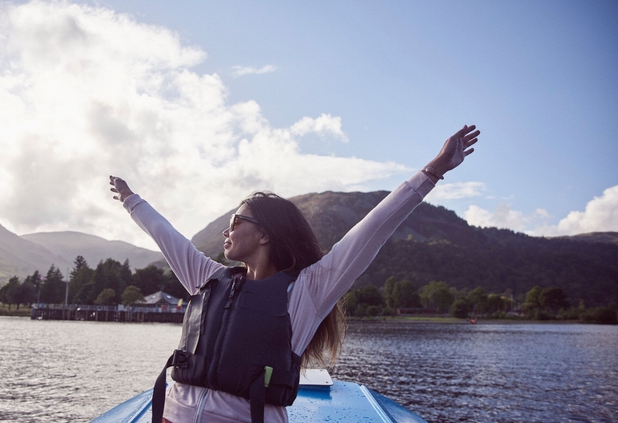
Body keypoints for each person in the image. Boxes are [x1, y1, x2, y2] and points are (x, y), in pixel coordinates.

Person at [109, 125, 480, 423]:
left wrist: (432, 171)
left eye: (236, 221)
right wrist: (131, 200)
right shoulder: (207, 277)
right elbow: (165, 235)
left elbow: (371, 231)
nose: (227, 230)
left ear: (265, 234)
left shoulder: (306, 293)